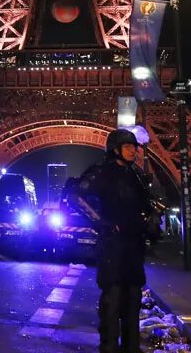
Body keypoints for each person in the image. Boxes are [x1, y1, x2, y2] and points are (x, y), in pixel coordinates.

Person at [72, 128, 156, 353]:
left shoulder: (135, 175)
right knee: (113, 298)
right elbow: (76, 197)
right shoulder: (101, 173)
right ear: (115, 149)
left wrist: (151, 220)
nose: (133, 151)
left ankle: (131, 347)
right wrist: (102, 223)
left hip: (133, 245)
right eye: (128, 147)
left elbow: (146, 205)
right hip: (112, 245)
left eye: (134, 147)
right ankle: (109, 347)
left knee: (133, 298)